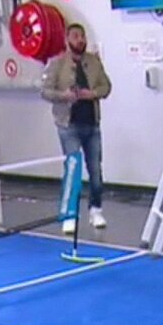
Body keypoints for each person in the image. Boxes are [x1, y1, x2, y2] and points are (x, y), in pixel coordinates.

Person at [40, 23, 111, 234]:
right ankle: (69, 215)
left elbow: (106, 86)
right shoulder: (57, 64)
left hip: (92, 124)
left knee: (95, 170)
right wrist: (64, 96)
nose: (80, 40)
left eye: (82, 36)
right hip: (68, 125)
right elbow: (45, 91)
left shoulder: (94, 62)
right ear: (67, 40)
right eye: (76, 36)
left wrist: (93, 93)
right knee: (73, 170)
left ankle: (96, 210)